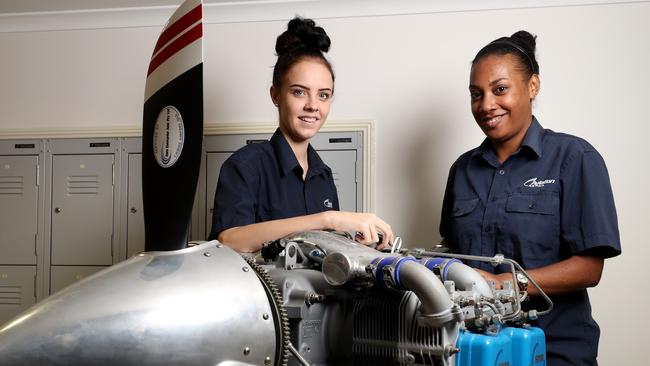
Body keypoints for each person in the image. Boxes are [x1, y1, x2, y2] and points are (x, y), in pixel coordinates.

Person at [439, 31, 621, 365]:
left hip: (552, 352)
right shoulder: (462, 170)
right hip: (472, 350)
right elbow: (452, 257)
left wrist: (504, 284)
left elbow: (589, 268)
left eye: (500, 89)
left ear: (533, 86)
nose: (486, 105)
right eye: (476, 94)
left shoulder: (575, 157)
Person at [209, 17, 393, 253]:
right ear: (275, 95)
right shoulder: (245, 165)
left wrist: (354, 243)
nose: (313, 106)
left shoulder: (323, 175)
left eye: (323, 95)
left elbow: (322, 252)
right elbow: (229, 240)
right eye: (299, 92)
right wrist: (328, 219)